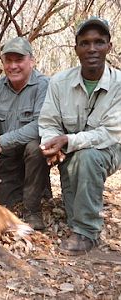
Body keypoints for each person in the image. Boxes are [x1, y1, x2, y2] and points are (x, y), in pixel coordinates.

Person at [39, 17, 121, 255]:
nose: (92, 49)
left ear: (109, 46)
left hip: (111, 147)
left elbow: (111, 132)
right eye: (85, 43)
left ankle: (88, 231)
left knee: (86, 158)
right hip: (71, 147)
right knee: (67, 158)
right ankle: (76, 218)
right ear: (76, 49)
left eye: (99, 42)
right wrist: (52, 143)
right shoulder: (59, 82)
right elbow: (48, 122)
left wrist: (69, 141)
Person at [0, 37, 50, 230]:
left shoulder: (45, 85)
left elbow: (40, 125)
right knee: (4, 202)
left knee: (36, 147)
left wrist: (1, 141)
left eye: (19, 60)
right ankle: (29, 188)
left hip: (31, 152)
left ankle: (32, 210)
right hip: (8, 156)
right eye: (8, 61)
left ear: (31, 61)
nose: (13, 66)